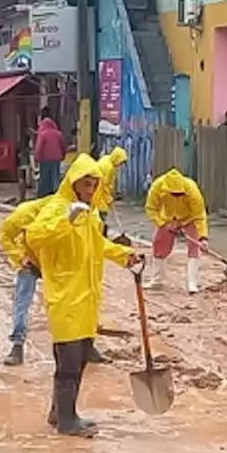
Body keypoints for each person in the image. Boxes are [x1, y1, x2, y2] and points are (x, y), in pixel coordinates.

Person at [26, 154, 141, 437]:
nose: (89, 191)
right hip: (65, 298)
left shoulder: (87, 213)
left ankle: (60, 413)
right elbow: (34, 237)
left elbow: (97, 244)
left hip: (86, 298)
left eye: (93, 185)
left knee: (78, 361)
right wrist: (67, 220)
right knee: (68, 363)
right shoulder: (58, 208)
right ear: (74, 183)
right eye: (85, 185)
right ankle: (67, 422)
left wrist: (125, 255)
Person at [0, 196, 49, 366]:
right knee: (23, 301)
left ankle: (86, 344)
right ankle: (17, 345)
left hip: (55, 262)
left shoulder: (75, 212)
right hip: (29, 261)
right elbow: (5, 235)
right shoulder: (25, 213)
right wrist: (21, 258)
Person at [143, 169, 209, 294]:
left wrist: (203, 237)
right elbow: (151, 208)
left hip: (188, 218)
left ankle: (192, 283)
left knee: (195, 247)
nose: (177, 196)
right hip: (167, 218)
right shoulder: (157, 187)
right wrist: (163, 224)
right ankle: (157, 280)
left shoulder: (192, 190)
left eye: (179, 194)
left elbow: (199, 215)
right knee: (159, 244)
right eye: (174, 194)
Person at [92, 146, 129, 235]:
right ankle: (99, 234)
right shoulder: (108, 168)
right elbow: (104, 185)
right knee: (101, 214)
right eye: (121, 162)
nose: (120, 165)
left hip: (98, 192)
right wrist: (108, 198)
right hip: (99, 194)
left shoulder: (107, 160)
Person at [33, 108, 65, 197]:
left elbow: (39, 147)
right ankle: (56, 192)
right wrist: (63, 155)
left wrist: (37, 158)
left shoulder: (43, 134)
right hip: (56, 158)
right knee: (55, 176)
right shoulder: (58, 134)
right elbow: (63, 146)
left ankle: (44, 193)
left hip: (45, 159)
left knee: (45, 177)